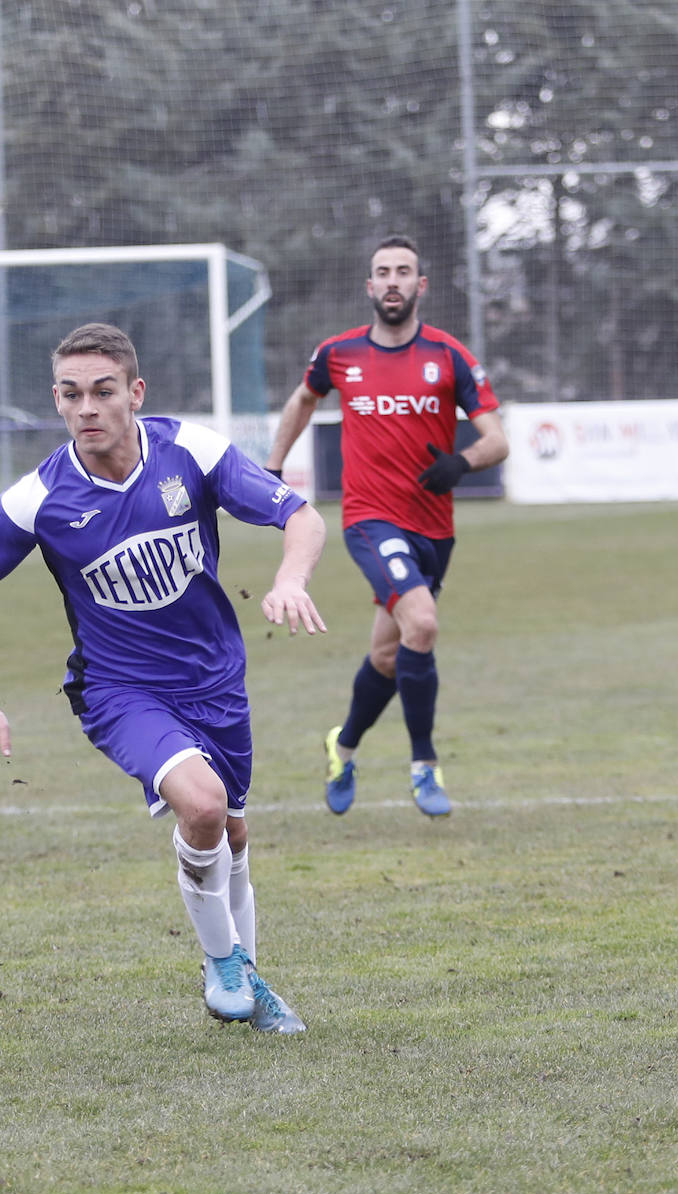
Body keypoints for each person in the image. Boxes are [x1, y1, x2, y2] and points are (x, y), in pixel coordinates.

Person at [0, 323, 327, 1034]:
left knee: (232, 832)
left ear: (135, 393)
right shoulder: (41, 498)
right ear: (56, 401)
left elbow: (301, 517)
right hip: (118, 689)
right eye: (70, 394)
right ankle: (222, 965)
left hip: (215, 678)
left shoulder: (191, 451)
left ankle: (247, 972)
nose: (85, 408)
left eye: (102, 391)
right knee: (204, 806)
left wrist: (289, 578)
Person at [266, 234, 509, 818]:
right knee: (421, 623)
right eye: (383, 271)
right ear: (370, 286)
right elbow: (303, 399)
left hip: (434, 529)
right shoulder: (338, 354)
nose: (393, 280)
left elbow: (497, 439)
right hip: (370, 519)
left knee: (388, 654)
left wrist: (461, 461)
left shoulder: (449, 356)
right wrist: (273, 469)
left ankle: (342, 746)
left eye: (405, 271)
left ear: (420, 286)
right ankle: (425, 766)